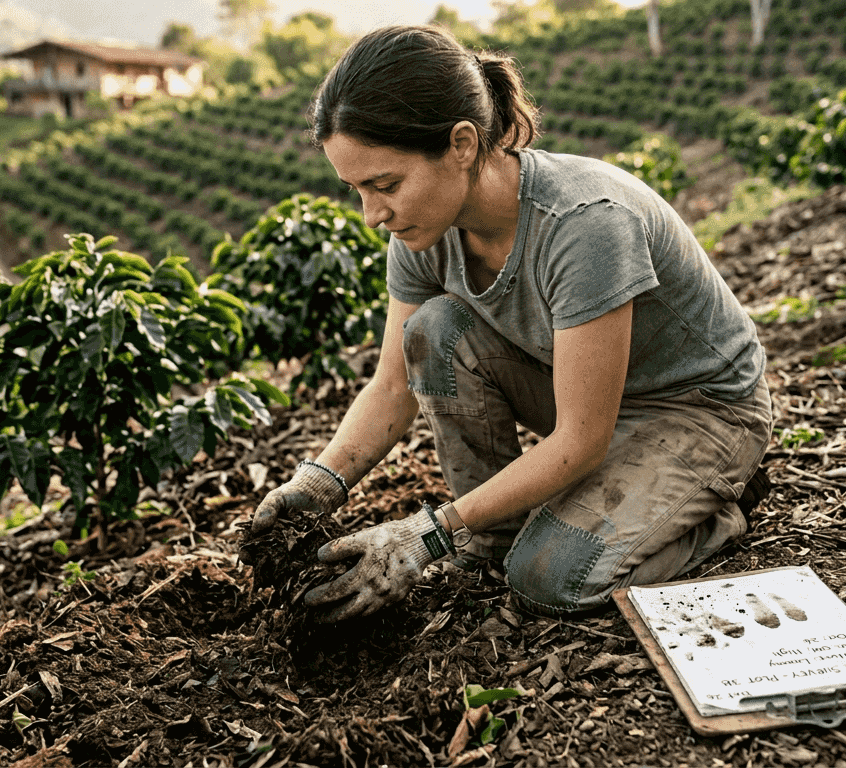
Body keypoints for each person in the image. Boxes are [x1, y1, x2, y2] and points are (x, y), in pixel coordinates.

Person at [250, 24, 773, 623]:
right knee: (436, 331)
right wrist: (319, 484)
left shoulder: (585, 224)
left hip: (699, 412)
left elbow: (581, 438)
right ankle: (490, 539)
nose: (372, 214)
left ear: (462, 144)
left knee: (551, 578)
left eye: (385, 184)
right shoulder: (423, 230)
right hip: (586, 397)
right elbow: (392, 384)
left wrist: (425, 533)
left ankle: (719, 510)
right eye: (356, 190)